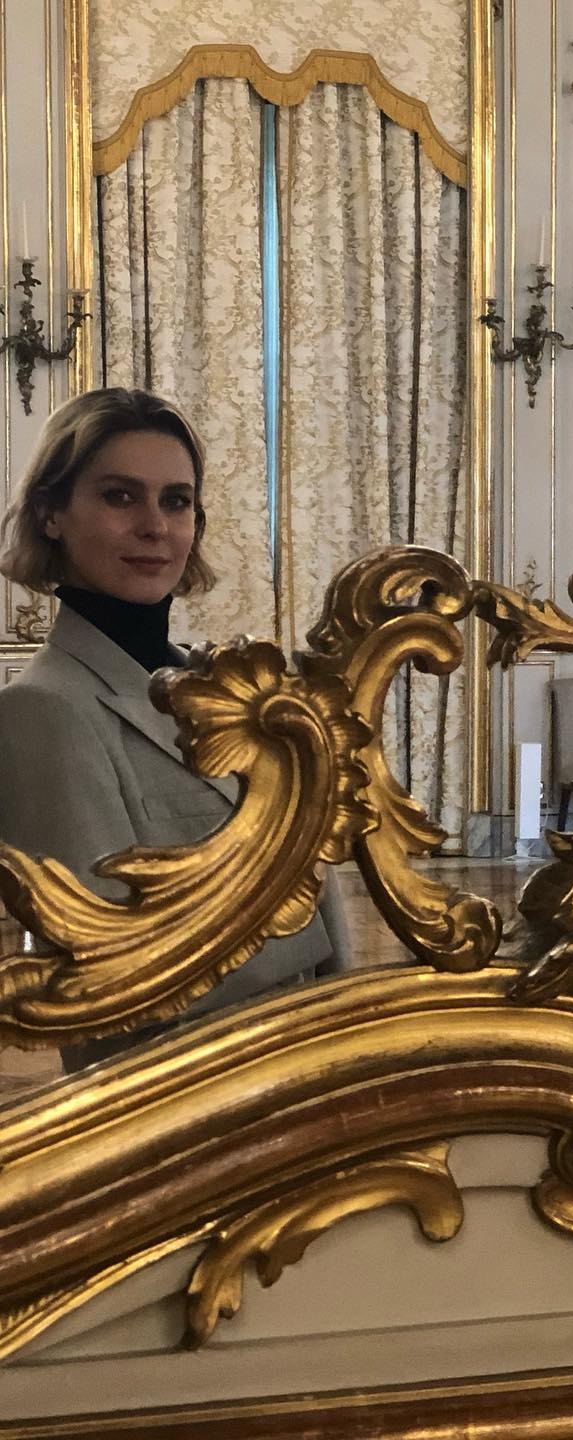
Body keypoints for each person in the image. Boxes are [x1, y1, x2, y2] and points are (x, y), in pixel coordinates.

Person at [0, 387, 350, 1070]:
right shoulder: (39, 710)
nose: (155, 526)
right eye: (120, 497)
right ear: (50, 514)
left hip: (303, 1061)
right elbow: (114, 969)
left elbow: (314, 881)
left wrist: (341, 1024)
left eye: (177, 501)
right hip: (177, 1086)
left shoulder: (229, 687)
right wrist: (302, 951)